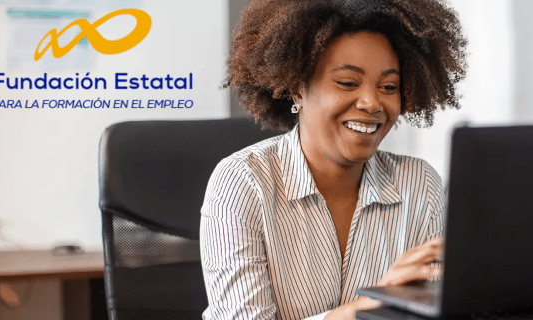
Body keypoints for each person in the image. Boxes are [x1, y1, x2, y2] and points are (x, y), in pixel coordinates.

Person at [200, 0, 467, 319]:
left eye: (388, 86)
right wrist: (370, 307)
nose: (372, 102)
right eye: (348, 83)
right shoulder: (242, 182)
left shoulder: (420, 183)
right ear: (297, 88)